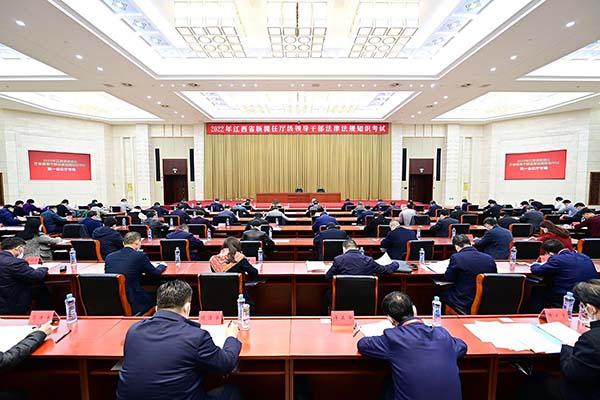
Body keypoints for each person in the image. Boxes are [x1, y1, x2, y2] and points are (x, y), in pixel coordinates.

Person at [117, 280, 242, 400]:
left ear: (156, 308)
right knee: (231, 391)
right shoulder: (196, 337)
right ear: (187, 308)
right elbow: (226, 364)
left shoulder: (134, 331)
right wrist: (231, 336)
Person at [357, 292, 467, 400]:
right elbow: (462, 346)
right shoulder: (442, 334)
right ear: (414, 310)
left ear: (390, 319)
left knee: (388, 381)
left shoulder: (393, 338)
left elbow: (362, 344)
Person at [518, 279, 600, 400]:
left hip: (584, 394)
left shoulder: (590, 341)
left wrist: (567, 345)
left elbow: (570, 372)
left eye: (582, 306)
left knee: (533, 381)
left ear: (591, 309)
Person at [105, 232, 166, 315]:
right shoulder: (140, 255)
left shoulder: (109, 257)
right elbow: (155, 273)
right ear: (137, 242)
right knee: (159, 295)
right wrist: (162, 265)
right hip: (134, 300)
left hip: (113, 301)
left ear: (123, 243)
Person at [530, 239, 598, 308]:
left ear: (550, 253)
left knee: (537, 290)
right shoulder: (585, 256)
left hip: (569, 297)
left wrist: (535, 264)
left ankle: (534, 313)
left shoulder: (556, 259)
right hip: (590, 295)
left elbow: (537, 271)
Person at [442, 235, 497, 314]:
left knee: (441, 293)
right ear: (470, 244)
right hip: (485, 301)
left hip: (463, 301)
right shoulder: (489, 258)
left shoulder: (456, 258)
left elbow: (448, 278)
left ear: (456, 246)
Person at [0, 237, 48, 315]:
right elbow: (36, 276)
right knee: (42, 289)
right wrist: (43, 268)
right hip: (11, 302)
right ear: (18, 248)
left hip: (4, 297)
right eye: (23, 248)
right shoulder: (15, 263)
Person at [325, 239, 399, 279]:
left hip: (341, 295)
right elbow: (386, 270)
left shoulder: (338, 259)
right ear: (357, 248)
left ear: (344, 248)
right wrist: (395, 263)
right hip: (366, 296)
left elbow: (328, 277)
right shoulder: (369, 260)